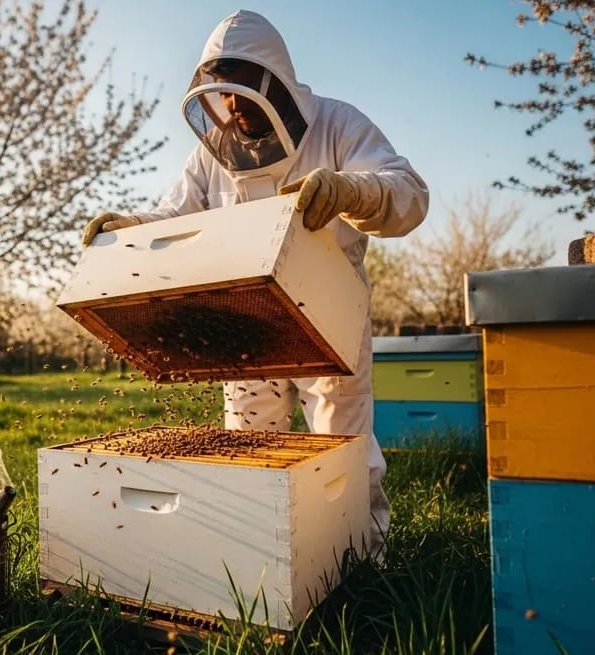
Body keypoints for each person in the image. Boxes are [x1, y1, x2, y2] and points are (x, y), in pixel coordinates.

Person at [80, 9, 428, 560]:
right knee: (246, 448)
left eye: (242, 93)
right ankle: (254, 559)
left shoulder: (338, 124)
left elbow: (409, 195)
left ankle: (363, 559)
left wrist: (352, 193)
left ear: (276, 86)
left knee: (342, 450)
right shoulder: (210, 154)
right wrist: (134, 229)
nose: (234, 108)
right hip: (244, 324)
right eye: (223, 96)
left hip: (328, 319)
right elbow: (174, 218)